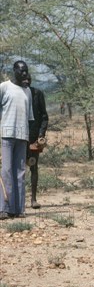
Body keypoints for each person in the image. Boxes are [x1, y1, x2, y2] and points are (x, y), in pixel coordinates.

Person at [0, 61, 34, 219]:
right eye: (21, 71)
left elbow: (30, 118)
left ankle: (19, 209)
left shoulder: (27, 91)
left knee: (20, 172)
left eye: (26, 71)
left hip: (22, 136)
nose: (24, 74)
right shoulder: (4, 87)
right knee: (6, 171)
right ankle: (4, 208)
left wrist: (31, 141)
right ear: (14, 71)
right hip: (6, 134)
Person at [22, 73, 49, 209]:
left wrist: (41, 135)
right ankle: (17, 201)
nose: (26, 82)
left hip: (33, 137)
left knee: (33, 166)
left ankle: (33, 199)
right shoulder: (16, 94)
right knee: (17, 169)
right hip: (19, 136)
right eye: (24, 80)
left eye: (29, 80)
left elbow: (44, 116)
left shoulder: (37, 94)